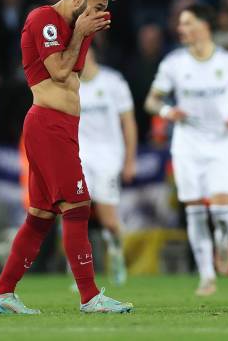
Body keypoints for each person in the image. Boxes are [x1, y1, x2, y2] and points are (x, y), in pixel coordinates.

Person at [0, 0, 133, 314]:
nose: (101, 14)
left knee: (40, 216)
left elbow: (73, 78)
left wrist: (82, 31)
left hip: (62, 127)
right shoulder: (43, 18)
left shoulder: (76, 27)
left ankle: (2, 293)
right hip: (47, 124)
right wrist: (81, 33)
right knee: (78, 206)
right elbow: (59, 72)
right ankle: (90, 297)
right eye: (97, 6)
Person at [145, 3, 228, 296]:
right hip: (187, 146)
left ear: (205, 25)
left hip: (220, 144)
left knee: (220, 209)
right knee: (194, 210)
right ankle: (207, 276)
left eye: (187, 22)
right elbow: (151, 101)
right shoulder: (173, 64)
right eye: (181, 24)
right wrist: (168, 112)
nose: (181, 28)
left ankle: (223, 239)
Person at [78, 46, 137, 285]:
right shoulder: (67, 83)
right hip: (79, 157)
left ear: (90, 53)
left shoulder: (114, 82)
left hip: (108, 157)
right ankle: (80, 270)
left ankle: (116, 256)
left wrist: (130, 160)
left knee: (108, 219)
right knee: (75, 214)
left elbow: (128, 122)